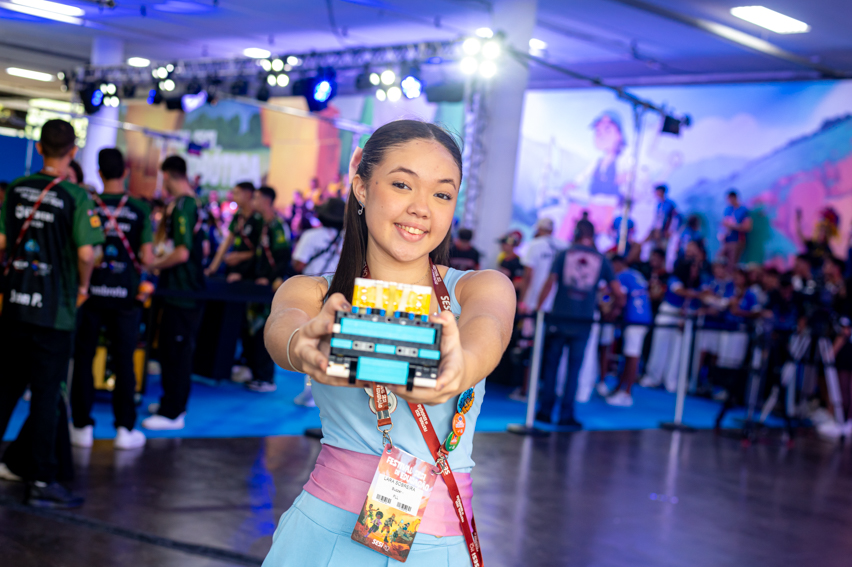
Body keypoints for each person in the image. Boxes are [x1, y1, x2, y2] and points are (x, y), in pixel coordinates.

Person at [261, 120, 515, 566]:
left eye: (442, 194)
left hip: (441, 548)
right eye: (402, 184)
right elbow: (284, 327)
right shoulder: (314, 293)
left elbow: (487, 332)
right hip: (323, 539)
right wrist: (302, 347)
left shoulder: (481, 288)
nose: (421, 208)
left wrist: (461, 368)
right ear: (361, 187)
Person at [0, 119, 105, 507]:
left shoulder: (16, 188)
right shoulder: (75, 196)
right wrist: (83, 288)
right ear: (73, 152)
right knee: (46, 397)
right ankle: (42, 482)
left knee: (5, 390)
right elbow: (86, 253)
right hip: (54, 313)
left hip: (14, 306)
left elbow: (2, 240)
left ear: (40, 147)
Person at [69, 148, 153, 450]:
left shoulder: (88, 203)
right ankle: (124, 430)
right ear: (125, 171)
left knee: (84, 358)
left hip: (90, 293)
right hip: (125, 297)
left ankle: (81, 427)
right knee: (124, 360)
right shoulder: (140, 209)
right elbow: (147, 258)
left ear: (100, 172)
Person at [535, 219, 624, 429]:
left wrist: (538, 309)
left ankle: (545, 410)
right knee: (574, 368)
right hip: (583, 321)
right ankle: (566, 414)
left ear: (575, 233)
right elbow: (617, 291)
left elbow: (550, 283)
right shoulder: (601, 259)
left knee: (552, 365)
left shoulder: (564, 254)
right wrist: (613, 309)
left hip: (560, 316)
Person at [142, 156, 206, 431]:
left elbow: (182, 253)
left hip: (183, 292)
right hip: (179, 291)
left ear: (167, 175)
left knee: (177, 352)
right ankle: (170, 402)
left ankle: (173, 412)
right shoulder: (191, 204)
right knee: (171, 350)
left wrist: (154, 264)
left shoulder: (184, 205)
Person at [289, 197, 345, 407]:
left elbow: (298, 263)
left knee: (310, 342)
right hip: (340, 294)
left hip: (312, 291)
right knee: (330, 344)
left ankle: (310, 392)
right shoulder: (349, 239)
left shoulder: (311, 236)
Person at [642, 240, 708, 392]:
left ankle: (671, 380)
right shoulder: (676, 275)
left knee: (678, 350)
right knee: (660, 347)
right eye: (692, 268)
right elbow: (679, 291)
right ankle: (653, 377)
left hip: (685, 317)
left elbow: (706, 293)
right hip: (669, 313)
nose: (695, 271)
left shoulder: (700, 279)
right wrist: (698, 294)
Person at [243, 185, 291, 393]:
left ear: (266, 200)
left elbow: (283, 257)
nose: (253, 201)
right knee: (253, 328)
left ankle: (265, 377)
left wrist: (273, 278)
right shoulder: (261, 224)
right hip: (258, 286)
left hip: (271, 288)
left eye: (256, 198)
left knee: (266, 329)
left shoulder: (277, 226)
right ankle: (255, 372)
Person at [606, 255, 652, 407]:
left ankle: (626, 393)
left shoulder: (622, 276)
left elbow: (621, 299)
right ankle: (620, 388)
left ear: (617, 264)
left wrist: (610, 313)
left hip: (634, 319)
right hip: (643, 318)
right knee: (630, 354)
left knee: (632, 356)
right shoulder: (635, 274)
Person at [206, 181, 261, 281]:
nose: (234, 197)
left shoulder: (259, 218)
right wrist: (212, 268)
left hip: (252, 274)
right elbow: (227, 241)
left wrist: (239, 256)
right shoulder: (238, 216)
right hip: (234, 270)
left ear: (248, 194)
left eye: (237, 193)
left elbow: (261, 250)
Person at [796, 207, 839, 272]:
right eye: (821, 231)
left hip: (818, 274)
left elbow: (828, 265)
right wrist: (798, 221)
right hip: (807, 272)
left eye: (824, 232)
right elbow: (800, 234)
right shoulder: (812, 244)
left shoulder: (827, 250)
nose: (822, 234)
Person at [719, 190, 751, 266]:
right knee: (719, 261)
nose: (729, 201)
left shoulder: (743, 210)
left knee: (731, 264)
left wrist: (733, 226)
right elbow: (725, 223)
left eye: (730, 199)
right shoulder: (728, 210)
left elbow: (747, 227)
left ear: (735, 198)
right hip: (726, 241)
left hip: (737, 241)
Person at [497, 231, 524, 297]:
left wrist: (505, 294)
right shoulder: (504, 258)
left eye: (504, 244)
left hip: (508, 295)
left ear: (510, 245)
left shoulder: (517, 262)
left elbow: (517, 282)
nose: (501, 246)